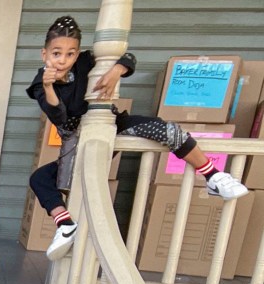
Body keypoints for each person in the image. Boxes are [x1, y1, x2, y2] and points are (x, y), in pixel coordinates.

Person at [28, 15, 249, 261]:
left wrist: (117, 70)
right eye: (56, 53)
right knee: (40, 178)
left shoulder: (86, 62)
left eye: (70, 54)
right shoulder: (40, 83)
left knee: (167, 130)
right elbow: (58, 115)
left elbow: (128, 58)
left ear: (77, 53)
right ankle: (65, 224)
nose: (63, 60)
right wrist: (49, 87)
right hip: (77, 141)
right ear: (44, 54)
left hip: (110, 124)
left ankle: (213, 175)